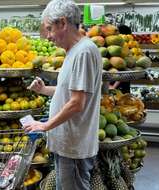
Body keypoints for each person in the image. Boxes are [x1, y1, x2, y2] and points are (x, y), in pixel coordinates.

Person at [25, 0, 102, 189]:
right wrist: (43, 90)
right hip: (67, 143)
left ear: (63, 23)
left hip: (73, 146)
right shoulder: (73, 51)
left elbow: (77, 103)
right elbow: (69, 92)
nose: (48, 37)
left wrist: (45, 126)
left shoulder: (83, 52)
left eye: (50, 29)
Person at [110, 24, 132, 93]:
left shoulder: (123, 48)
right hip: (122, 84)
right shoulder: (129, 46)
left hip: (116, 84)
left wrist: (113, 86)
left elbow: (124, 70)